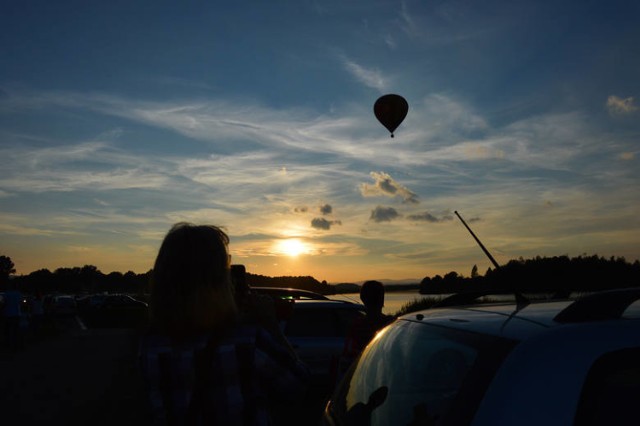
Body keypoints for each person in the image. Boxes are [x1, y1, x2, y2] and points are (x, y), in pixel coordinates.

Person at [139, 222, 309, 425]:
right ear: (218, 280)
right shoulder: (247, 341)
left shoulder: (149, 347)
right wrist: (271, 326)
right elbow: (299, 387)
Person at [335, 280, 394, 383]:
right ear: (382, 299)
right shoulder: (392, 325)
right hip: (386, 380)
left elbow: (346, 362)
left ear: (363, 299)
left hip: (361, 383)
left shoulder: (356, 327)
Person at [3, 280, 24, 350]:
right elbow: (21, 303)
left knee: (7, 330)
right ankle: (16, 345)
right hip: (17, 313)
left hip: (8, 313)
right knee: (16, 330)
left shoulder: (6, 293)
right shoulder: (19, 294)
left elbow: (4, 303)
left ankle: (8, 344)